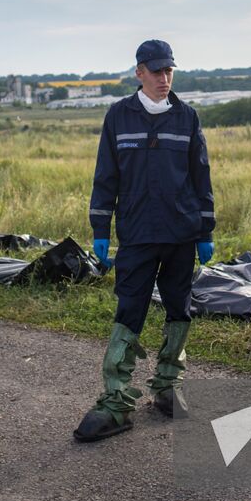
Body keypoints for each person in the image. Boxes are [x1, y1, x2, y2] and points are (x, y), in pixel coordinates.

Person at [74, 39, 216, 442]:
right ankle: (117, 403)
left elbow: (200, 177)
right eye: (156, 71)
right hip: (136, 234)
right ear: (139, 72)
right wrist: (100, 230)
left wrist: (205, 231)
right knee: (129, 310)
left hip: (180, 234)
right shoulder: (119, 117)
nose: (163, 78)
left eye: (169, 71)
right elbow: (106, 177)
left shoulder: (187, 118)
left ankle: (168, 387)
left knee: (179, 308)